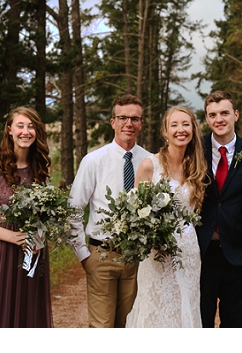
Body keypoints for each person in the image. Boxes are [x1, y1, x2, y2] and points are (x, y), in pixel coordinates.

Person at [68, 94, 151, 327]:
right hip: (102, 255)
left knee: (129, 325)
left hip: (137, 260)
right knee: (102, 328)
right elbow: (73, 209)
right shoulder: (93, 161)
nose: (129, 124)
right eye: (123, 118)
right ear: (112, 122)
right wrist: (83, 255)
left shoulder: (151, 161)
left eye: (135, 119)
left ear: (141, 123)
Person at [126, 106, 207, 328]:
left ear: (193, 129)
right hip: (157, 254)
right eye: (174, 125)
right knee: (156, 309)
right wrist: (154, 237)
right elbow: (136, 214)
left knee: (185, 309)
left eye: (186, 124)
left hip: (189, 254)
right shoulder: (150, 165)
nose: (180, 130)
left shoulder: (197, 167)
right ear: (165, 131)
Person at [0, 106, 53, 327]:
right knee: (3, 318)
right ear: (10, 130)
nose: (25, 131)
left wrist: (40, 234)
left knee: (30, 316)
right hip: (2, 253)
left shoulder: (41, 168)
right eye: (20, 126)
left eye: (31, 127)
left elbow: (44, 212)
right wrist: (15, 238)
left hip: (33, 252)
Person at [196, 90, 242, 328]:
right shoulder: (195, 149)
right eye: (213, 115)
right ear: (207, 119)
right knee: (201, 323)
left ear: (235, 115)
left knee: (233, 325)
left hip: (239, 256)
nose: (219, 119)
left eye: (224, 113)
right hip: (201, 253)